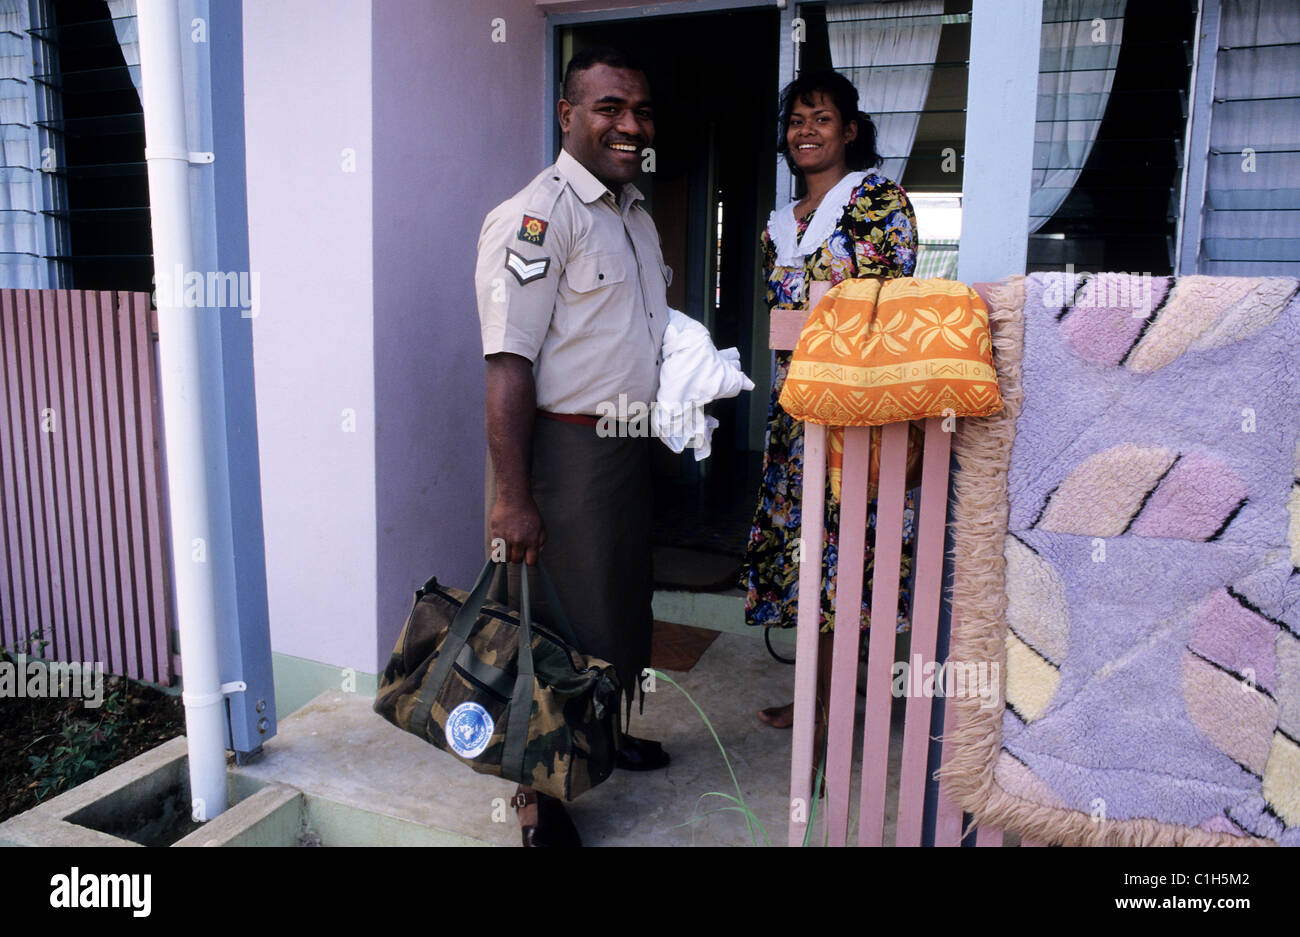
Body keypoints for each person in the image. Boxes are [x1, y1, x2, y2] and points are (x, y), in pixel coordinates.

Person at [474, 46, 671, 848]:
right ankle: (537, 801)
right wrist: (513, 496)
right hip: (566, 458)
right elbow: (508, 363)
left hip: (629, 452)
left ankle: (603, 736)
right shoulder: (536, 216)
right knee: (552, 629)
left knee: (621, 612)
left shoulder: (633, 212)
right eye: (609, 108)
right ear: (568, 116)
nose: (630, 124)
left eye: (641, 110)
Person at [741, 69, 921, 735]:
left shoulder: (878, 202)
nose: (806, 131)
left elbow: (885, 304)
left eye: (822, 118)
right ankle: (821, 698)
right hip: (797, 415)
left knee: (856, 559)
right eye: (796, 120)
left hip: (859, 415)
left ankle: (848, 703)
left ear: (849, 130)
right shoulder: (776, 224)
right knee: (812, 557)